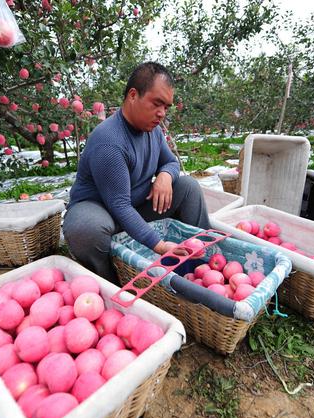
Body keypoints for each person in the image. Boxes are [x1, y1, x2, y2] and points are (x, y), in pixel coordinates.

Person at [62, 61, 211, 283]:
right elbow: (118, 205)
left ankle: (202, 265)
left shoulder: (153, 131)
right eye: (157, 103)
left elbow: (171, 162)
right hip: (101, 210)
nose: (161, 113)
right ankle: (110, 281)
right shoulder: (110, 141)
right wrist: (158, 245)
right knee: (85, 228)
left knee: (188, 187)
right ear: (133, 95)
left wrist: (165, 176)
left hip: (134, 205)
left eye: (166, 107)